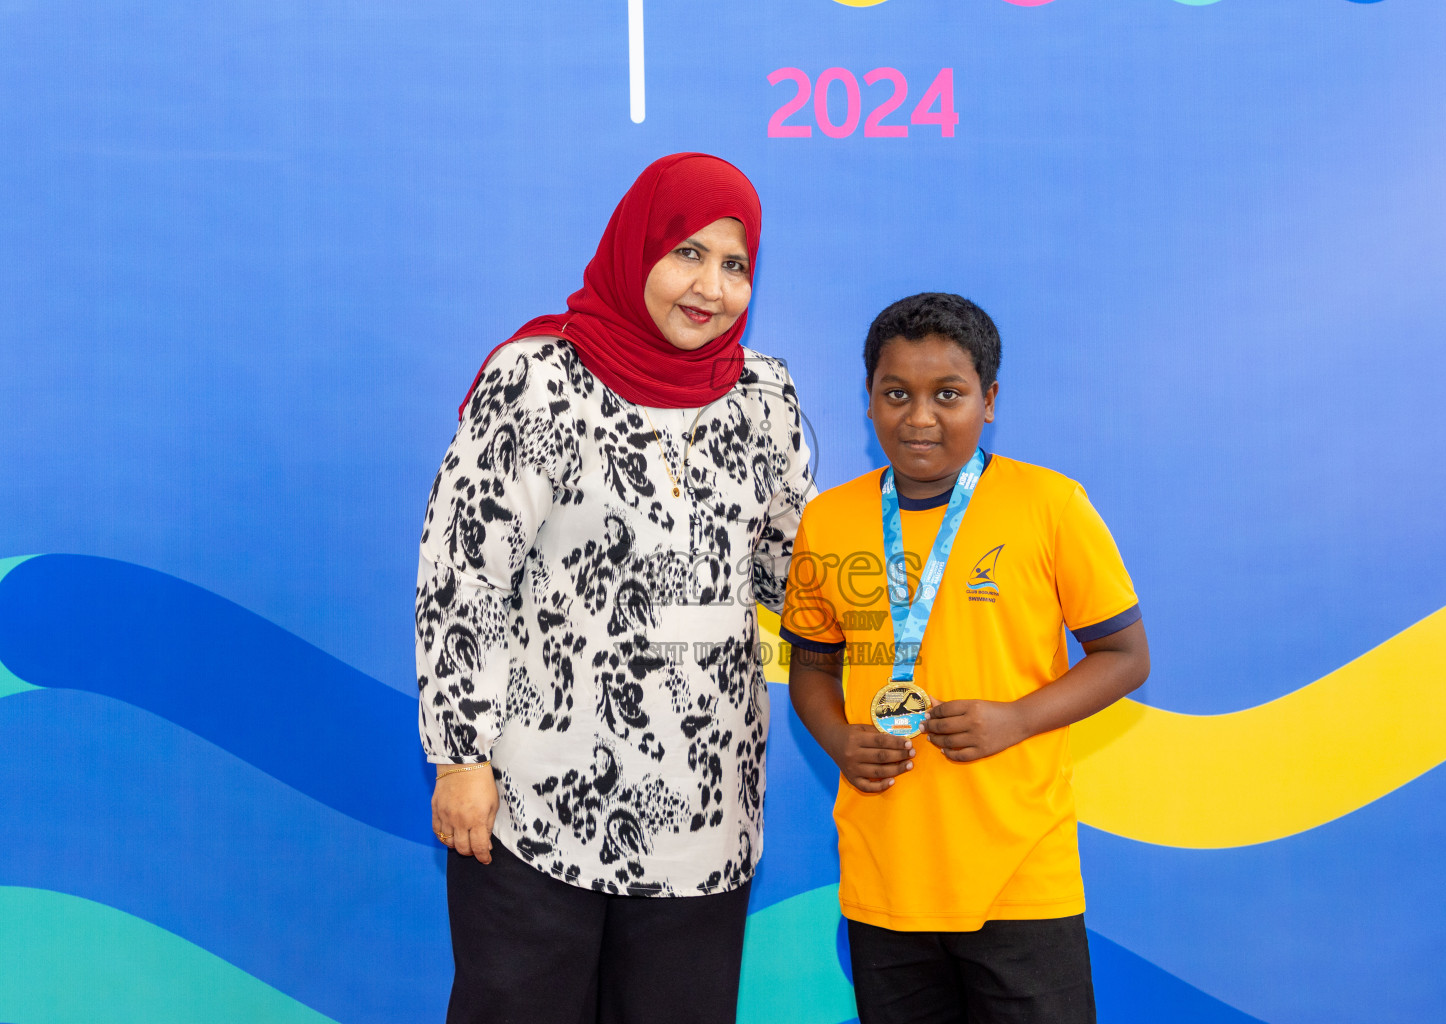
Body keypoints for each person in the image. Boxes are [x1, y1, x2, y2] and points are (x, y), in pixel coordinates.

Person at [415, 153, 814, 1024]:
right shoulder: (536, 381)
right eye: (687, 253)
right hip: (534, 802)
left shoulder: (765, 398)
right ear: (638, 250)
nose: (710, 286)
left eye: (736, 264)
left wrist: (907, 587)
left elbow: (795, 572)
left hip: (706, 809)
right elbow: (462, 578)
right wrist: (459, 756)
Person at [781, 292, 1150, 1024]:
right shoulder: (828, 520)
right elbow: (813, 668)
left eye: (947, 394)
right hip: (887, 876)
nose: (920, 417)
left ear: (989, 401)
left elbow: (1125, 655)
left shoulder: (1049, 505)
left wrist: (1017, 718)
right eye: (897, 394)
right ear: (868, 403)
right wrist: (839, 739)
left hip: (1020, 875)